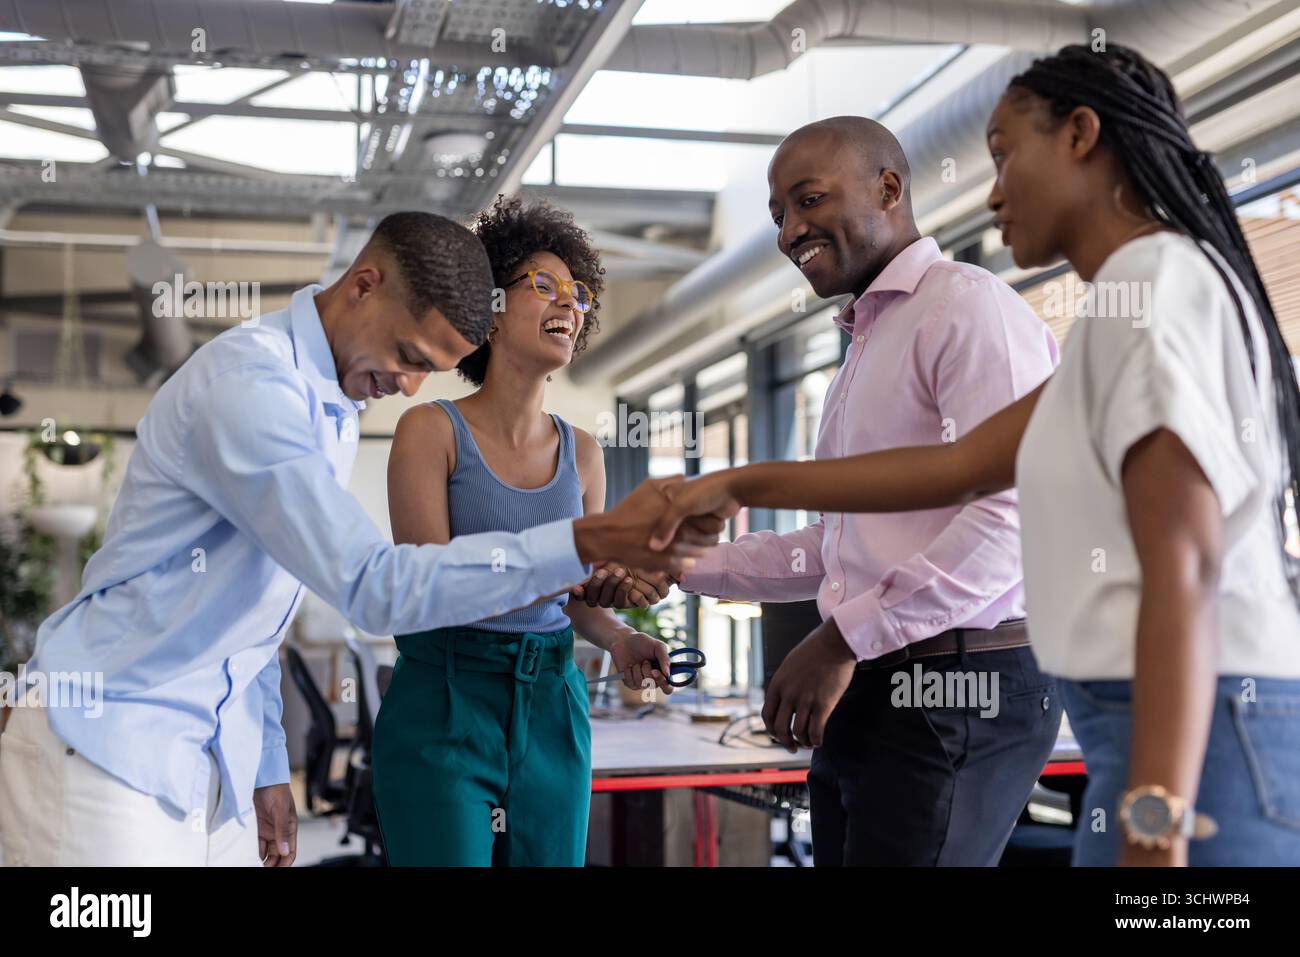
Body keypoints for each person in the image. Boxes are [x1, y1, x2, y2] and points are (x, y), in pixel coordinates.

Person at [651, 45, 1300, 866]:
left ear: (1080, 135)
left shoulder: (1155, 287)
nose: (991, 190)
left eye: (1003, 156)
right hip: (1142, 722)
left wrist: (1151, 823)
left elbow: (1182, 565)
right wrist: (732, 486)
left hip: (1204, 734)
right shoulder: (1118, 310)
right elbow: (953, 471)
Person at [0, 211, 721, 867]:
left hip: (208, 759)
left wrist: (266, 764)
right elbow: (379, 587)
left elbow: (252, 612)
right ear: (363, 286)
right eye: (409, 355)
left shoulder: (336, 403)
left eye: (428, 370)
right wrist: (587, 539)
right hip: (106, 744)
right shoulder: (251, 388)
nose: (409, 387)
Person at [657, 115, 1062, 866]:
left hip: (955, 683)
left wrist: (842, 637)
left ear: (889, 187)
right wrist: (674, 567)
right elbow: (838, 545)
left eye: (808, 200)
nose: (789, 231)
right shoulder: (868, 342)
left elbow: (1013, 519)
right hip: (876, 678)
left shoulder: (966, 307)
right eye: (779, 215)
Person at [374, 197, 676, 866]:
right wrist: (570, 567)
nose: (568, 302)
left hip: (549, 698)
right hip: (447, 698)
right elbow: (433, 584)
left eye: (579, 293)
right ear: (493, 305)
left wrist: (621, 635)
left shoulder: (586, 453)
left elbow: (572, 600)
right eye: (543, 284)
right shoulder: (430, 431)